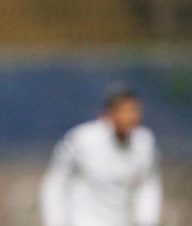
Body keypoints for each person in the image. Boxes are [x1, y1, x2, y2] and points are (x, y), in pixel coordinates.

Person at [40, 86, 161, 226]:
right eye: (123, 111)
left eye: (133, 111)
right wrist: (55, 221)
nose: (129, 117)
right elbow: (56, 182)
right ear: (108, 114)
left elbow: (148, 185)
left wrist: (147, 220)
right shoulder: (82, 140)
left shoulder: (144, 144)